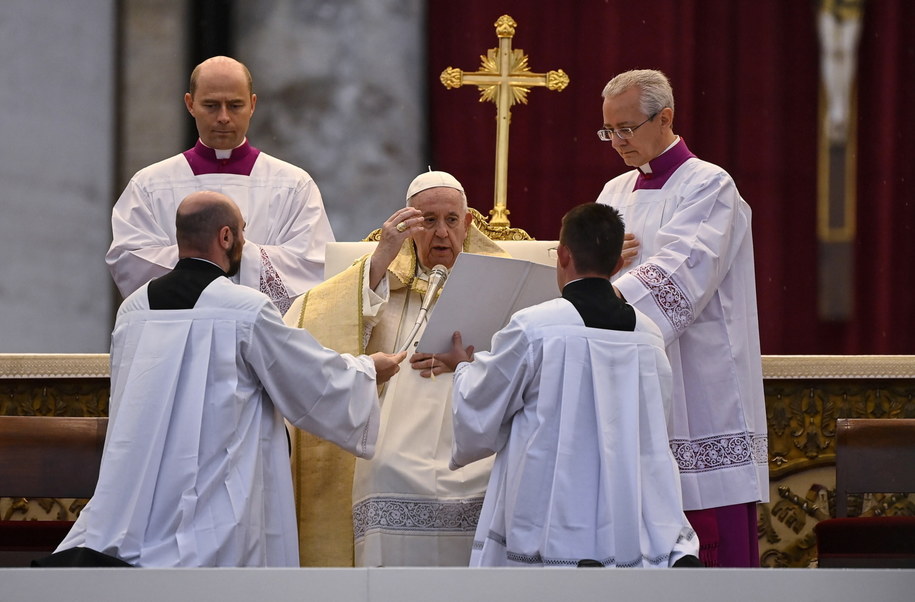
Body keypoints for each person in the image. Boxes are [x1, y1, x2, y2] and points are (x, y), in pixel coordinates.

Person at [48, 191, 405, 567]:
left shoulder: (133, 309)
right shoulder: (243, 309)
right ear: (225, 237)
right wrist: (367, 370)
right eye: (242, 232)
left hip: (137, 497)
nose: (244, 241)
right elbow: (308, 378)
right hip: (217, 505)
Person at [439, 202, 701, 568]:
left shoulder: (536, 327)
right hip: (625, 513)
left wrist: (463, 368)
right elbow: (654, 429)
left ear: (562, 255)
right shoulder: (649, 334)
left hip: (552, 513)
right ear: (618, 264)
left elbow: (484, 401)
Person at [284, 171, 508, 567]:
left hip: (471, 432)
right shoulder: (381, 280)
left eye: (451, 220)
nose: (441, 233)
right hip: (395, 433)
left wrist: (468, 363)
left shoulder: (498, 282)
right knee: (386, 470)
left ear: (468, 222)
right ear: (408, 224)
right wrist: (381, 257)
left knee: (496, 481)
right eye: (427, 220)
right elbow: (316, 320)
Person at [595, 69, 768, 567]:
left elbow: (681, 273)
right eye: (609, 131)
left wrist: (597, 301)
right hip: (633, 377)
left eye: (626, 128)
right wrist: (596, 277)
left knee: (710, 550)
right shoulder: (613, 192)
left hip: (700, 381)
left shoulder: (710, 185)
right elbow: (584, 265)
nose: (616, 142)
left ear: (665, 117)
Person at [106, 55, 334, 315]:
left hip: (261, 335)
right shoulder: (150, 184)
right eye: (211, 105)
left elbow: (314, 266)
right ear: (190, 105)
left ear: (252, 105)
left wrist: (234, 256)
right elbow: (130, 261)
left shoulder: (294, 184)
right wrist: (216, 260)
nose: (223, 117)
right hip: (182, 332)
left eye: (235, 105)